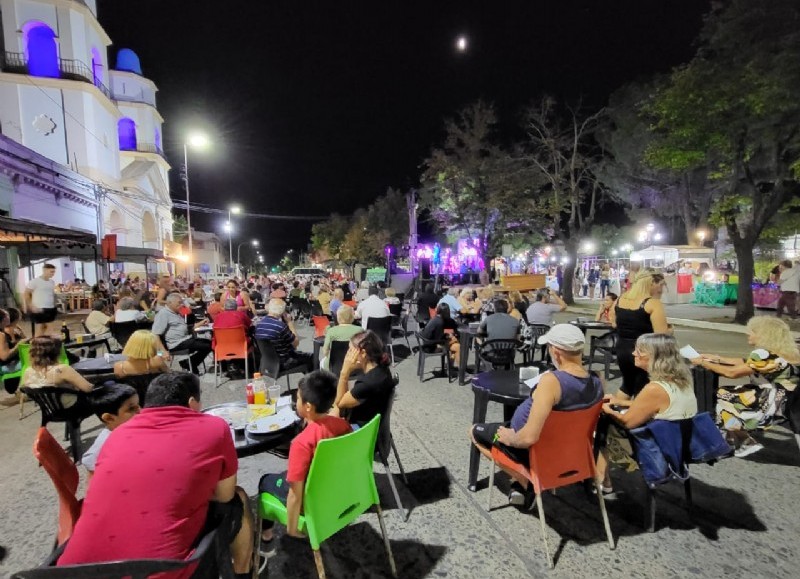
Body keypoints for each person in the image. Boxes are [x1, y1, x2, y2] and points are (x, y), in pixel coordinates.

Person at [58, 373, 254, 578]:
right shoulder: (214, 426)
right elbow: (224, 496)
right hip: (159, 571)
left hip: (70, 573)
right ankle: (243, 573)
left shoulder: (116, 436)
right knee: (237, 497)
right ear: (192, 403)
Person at [470, 324, 603, 504]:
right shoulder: (596, 379)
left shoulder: (552, 382)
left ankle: (527, 482)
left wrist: (511, 438)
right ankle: (520, 482)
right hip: (570, 450)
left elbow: (528, 438)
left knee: (475, 431)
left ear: (555, 351)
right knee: (508, 424)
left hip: (534, 450)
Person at [258, 370, 351, 545]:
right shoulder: (343, 425)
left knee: (266, 481)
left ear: (308, 406)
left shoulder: (301, 443)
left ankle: (267, 534)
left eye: (298, 398)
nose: (296, 402)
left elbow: (295, 493)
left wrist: (292, 529)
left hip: (310, 502)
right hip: (337, 491)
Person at [597, 333, 698, 491]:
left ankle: (602, 479)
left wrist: (604, 408)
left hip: (658, 452)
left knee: (600, 426)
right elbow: (656, 406)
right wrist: (621, 402)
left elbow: (627, 422)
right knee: (609, 419)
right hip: (679, 446)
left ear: (654, 356)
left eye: (639, 350)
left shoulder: (654, 388)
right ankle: (603, 479)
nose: (633, 353)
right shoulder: (680, 379)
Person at [690, 316, 800, 457]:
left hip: (772, 402)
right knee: (728, 393)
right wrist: (716, 358)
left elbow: (732, 373)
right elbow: (745, 362)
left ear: (763, 335)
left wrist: (702, 362)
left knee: (720, 395)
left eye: (752, 331)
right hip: (788, 399)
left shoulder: (763, 354)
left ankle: (741, 440)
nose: (748, 333)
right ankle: (741, 437)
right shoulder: (782, 352)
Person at [609, 271, 671, 399]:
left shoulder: (620, 299)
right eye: (661, 285)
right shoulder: (652, 303)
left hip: (622, 349)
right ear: (651, 283)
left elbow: (613, 323)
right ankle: (639, 416)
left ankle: (616, 413)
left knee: (627, 385)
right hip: (644, 352)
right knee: (642, 387)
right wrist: (670, 331)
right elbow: (661, 336)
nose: (662, 289)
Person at [333, 330, 395, 427]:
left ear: (363, 353)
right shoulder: (382, 369)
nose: (347, 355)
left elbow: (340, 403)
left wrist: (345, 371)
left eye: (350, 350)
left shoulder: (367, 383)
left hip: (361, 430)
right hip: (374, 424)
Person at [82, 383, 141, 474]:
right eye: (132, 408)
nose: (140, 411)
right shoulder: (105, 443)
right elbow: (90, 463)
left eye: (139, 405)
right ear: (109, 418)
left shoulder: (133, 429)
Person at [151, 293, 211, 374]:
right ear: (169, 303)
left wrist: (201, 323)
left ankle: (189, 364)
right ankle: (189, 364)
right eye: (179, 303)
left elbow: (186, 328)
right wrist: (163, 351)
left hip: (186, 339)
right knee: (207, 345)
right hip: (176, 343)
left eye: (181, 302)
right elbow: (155, 334)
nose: (181, 305)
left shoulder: (177, 313)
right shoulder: (163, 314)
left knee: (209, 343)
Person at [255, 298, 313, 373]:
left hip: (267, 363)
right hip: (283, 363)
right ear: (282, 312)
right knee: (311, 357)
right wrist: (289, 323)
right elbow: (296, 343)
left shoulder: (259, 324)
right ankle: (314, 383)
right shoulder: (280, 326)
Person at [20, 336, 92, 393]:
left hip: (48, 408)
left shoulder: (28, 372)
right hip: (71, 407)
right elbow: (87, 388)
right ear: (56, 352)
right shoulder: (62, 369)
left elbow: (25, 390)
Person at [0, 308, 29, 401]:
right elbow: (4, 356)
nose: (8, 317)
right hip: (6, 367)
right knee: (38, 361)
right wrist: (19, 345)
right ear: (3, 319)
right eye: (6, 316)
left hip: (7, 365)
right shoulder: (1, 335)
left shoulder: (3, 332)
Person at [320, 305, 362, 369]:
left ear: (338, 317)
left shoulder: (331, 331)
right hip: (354, 366)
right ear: (352, 317)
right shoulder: (360, 330)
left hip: (334, 367)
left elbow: (325, 351)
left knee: (322, 362)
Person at [24, 263, 57, 337]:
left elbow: (52, 294)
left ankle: (37, 342)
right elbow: (26, 294)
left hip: (50, 307)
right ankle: (51, 342)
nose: (53, 274)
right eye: (51, 271)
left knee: (43, 327)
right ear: (44, 270)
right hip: (39, 307)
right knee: (49, 327)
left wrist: (55, 304)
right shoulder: (35, 281)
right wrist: (31, 306)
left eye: (54, 272)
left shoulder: (52, 282)